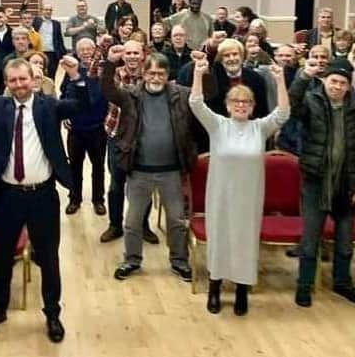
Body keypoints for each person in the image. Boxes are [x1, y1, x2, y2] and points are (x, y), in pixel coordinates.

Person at [0, 56, 88, 343]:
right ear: (6, 83)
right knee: (3, 256)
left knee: (48, 257)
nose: (19, 85)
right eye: (13, 80)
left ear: (33, 79)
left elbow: (81, 105)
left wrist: (76, 76)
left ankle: (52, 314)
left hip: (42, 195)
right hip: (7, 195)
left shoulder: (49, 105)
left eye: (23, 79)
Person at [189, 55, 290, 316]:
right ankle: (214, 287)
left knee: (245, 242)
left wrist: (279, 79)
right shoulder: (218, 126)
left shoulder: (260, 128)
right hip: (220, 195)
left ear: (253, 106)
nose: (241, 105)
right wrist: (199, 73)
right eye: (236, 101)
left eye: (246, 102)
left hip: (249, 197)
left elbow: (283, 113)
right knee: (220, 239)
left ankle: (243, 289)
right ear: (227, 105)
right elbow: (196, 103)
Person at [101, 49, 196, 282]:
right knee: (132, 221)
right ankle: (131, 260)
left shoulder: (181, 94)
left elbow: (210, 94)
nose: (155, 78)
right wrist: (110, 63)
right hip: (139, 170)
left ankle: (179, 261)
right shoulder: (130, 95)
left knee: (176, 220)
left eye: (160, 74)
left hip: (172, 171)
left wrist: (203, 67)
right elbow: (107, 90)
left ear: (168, 75)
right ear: (144, 74)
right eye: (151, 73)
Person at [290, 58, 355, 307]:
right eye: (333, 81)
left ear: (348, 86)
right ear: (324, 81)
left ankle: (342, 283)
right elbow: (292, 107)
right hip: (316, 180)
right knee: (310, 239)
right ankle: (304, 286)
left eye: (342, 83)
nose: (337, 87)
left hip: (344, 183)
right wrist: (303, 78)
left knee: (344, 240)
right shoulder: (312, 100)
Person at [62, 38, 108, 216]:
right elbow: (64, 93)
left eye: (89, 49)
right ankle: (74, 199)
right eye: (82, 49)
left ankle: (98, 200)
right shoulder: (71, 70)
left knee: (98, 166)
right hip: (76, 129)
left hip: (97, 128)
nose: (86, 52)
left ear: (94, 49)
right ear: (77, 52)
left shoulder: (101, 70)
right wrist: (65, 114)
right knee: (74, 166)